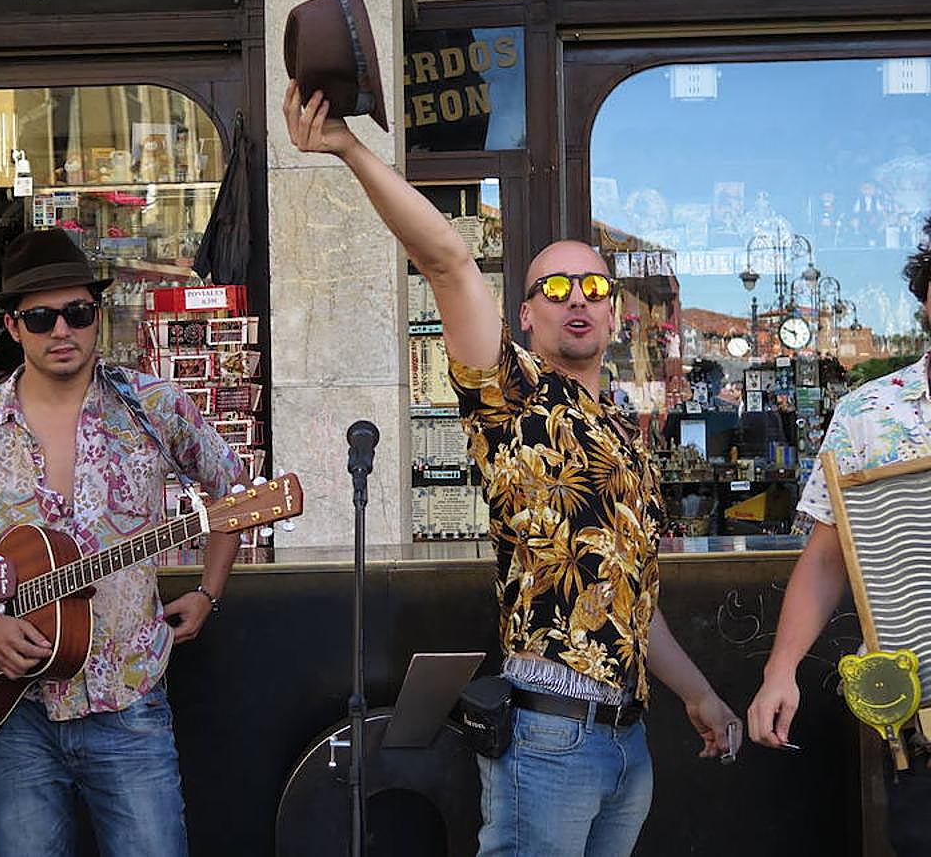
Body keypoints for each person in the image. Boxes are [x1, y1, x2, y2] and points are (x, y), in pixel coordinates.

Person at [283, 81, 740, 856]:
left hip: (627, 744)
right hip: (549, 740)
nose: (578, 301)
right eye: (554, 288)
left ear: (615, 312)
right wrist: (351, 151)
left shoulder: (624, 438)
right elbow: (447, 257)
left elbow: (632, 595)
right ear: (525, 314)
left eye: (594, 288)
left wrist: (697, 693)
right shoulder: (513, 394)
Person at [0, 229, 246, 857]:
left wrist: (209, 591)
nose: (62, 331)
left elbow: (232, 492)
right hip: (9, 711)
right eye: (41, 317)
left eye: (78, 313)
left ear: (97, 316)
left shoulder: (152, 407)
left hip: (128, 698)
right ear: (13, 326)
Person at [748, 220, 931, 855]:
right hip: (923, 725)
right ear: (926, 296)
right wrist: (781, 671)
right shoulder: (869, 415)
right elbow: (828, 558)